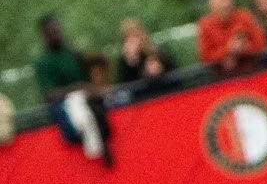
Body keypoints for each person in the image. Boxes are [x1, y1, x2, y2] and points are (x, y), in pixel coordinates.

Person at [34, 14, 112, 164]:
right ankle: (96, 144)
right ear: (44, 34)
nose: (57, 34)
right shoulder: (43, 62)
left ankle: (102, 139)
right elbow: (49, 94)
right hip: (67, 102)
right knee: (78, 107)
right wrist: (77, 89)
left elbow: (91, 70)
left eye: (58, 30)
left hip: (89, 96)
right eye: (53, 32)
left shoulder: (71, 52)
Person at [197, 0, 267, 72]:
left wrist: (244, 49)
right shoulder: (205, 25)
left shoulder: (245, 16)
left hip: (253, 71)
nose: (226, 4)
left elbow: (262, 44)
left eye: (228, 0)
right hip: (224, 80)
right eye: (221, 1)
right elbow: (205, 57)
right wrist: (228, 50)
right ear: (211, 4)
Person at [115, 19, 175, 86]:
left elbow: (174, 75)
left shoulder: (157, 53)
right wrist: (132, 62)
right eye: (128, 39)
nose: (132, 42)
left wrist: (160, 69)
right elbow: (127, 86)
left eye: (135, 37)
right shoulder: (124, 62)